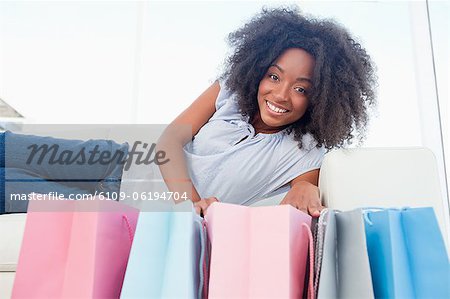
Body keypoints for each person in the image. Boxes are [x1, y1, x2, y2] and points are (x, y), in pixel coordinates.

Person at [157, 7, 377, 217]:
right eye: (274, 76)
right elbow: (169, 141)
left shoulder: (303, 149)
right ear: (258, 71)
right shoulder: (229, 93)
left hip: (191, 231)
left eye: (300, 89)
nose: (281, 95)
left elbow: (304, 185)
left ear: (319, 100)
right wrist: (191, 206)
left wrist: (308, 189)